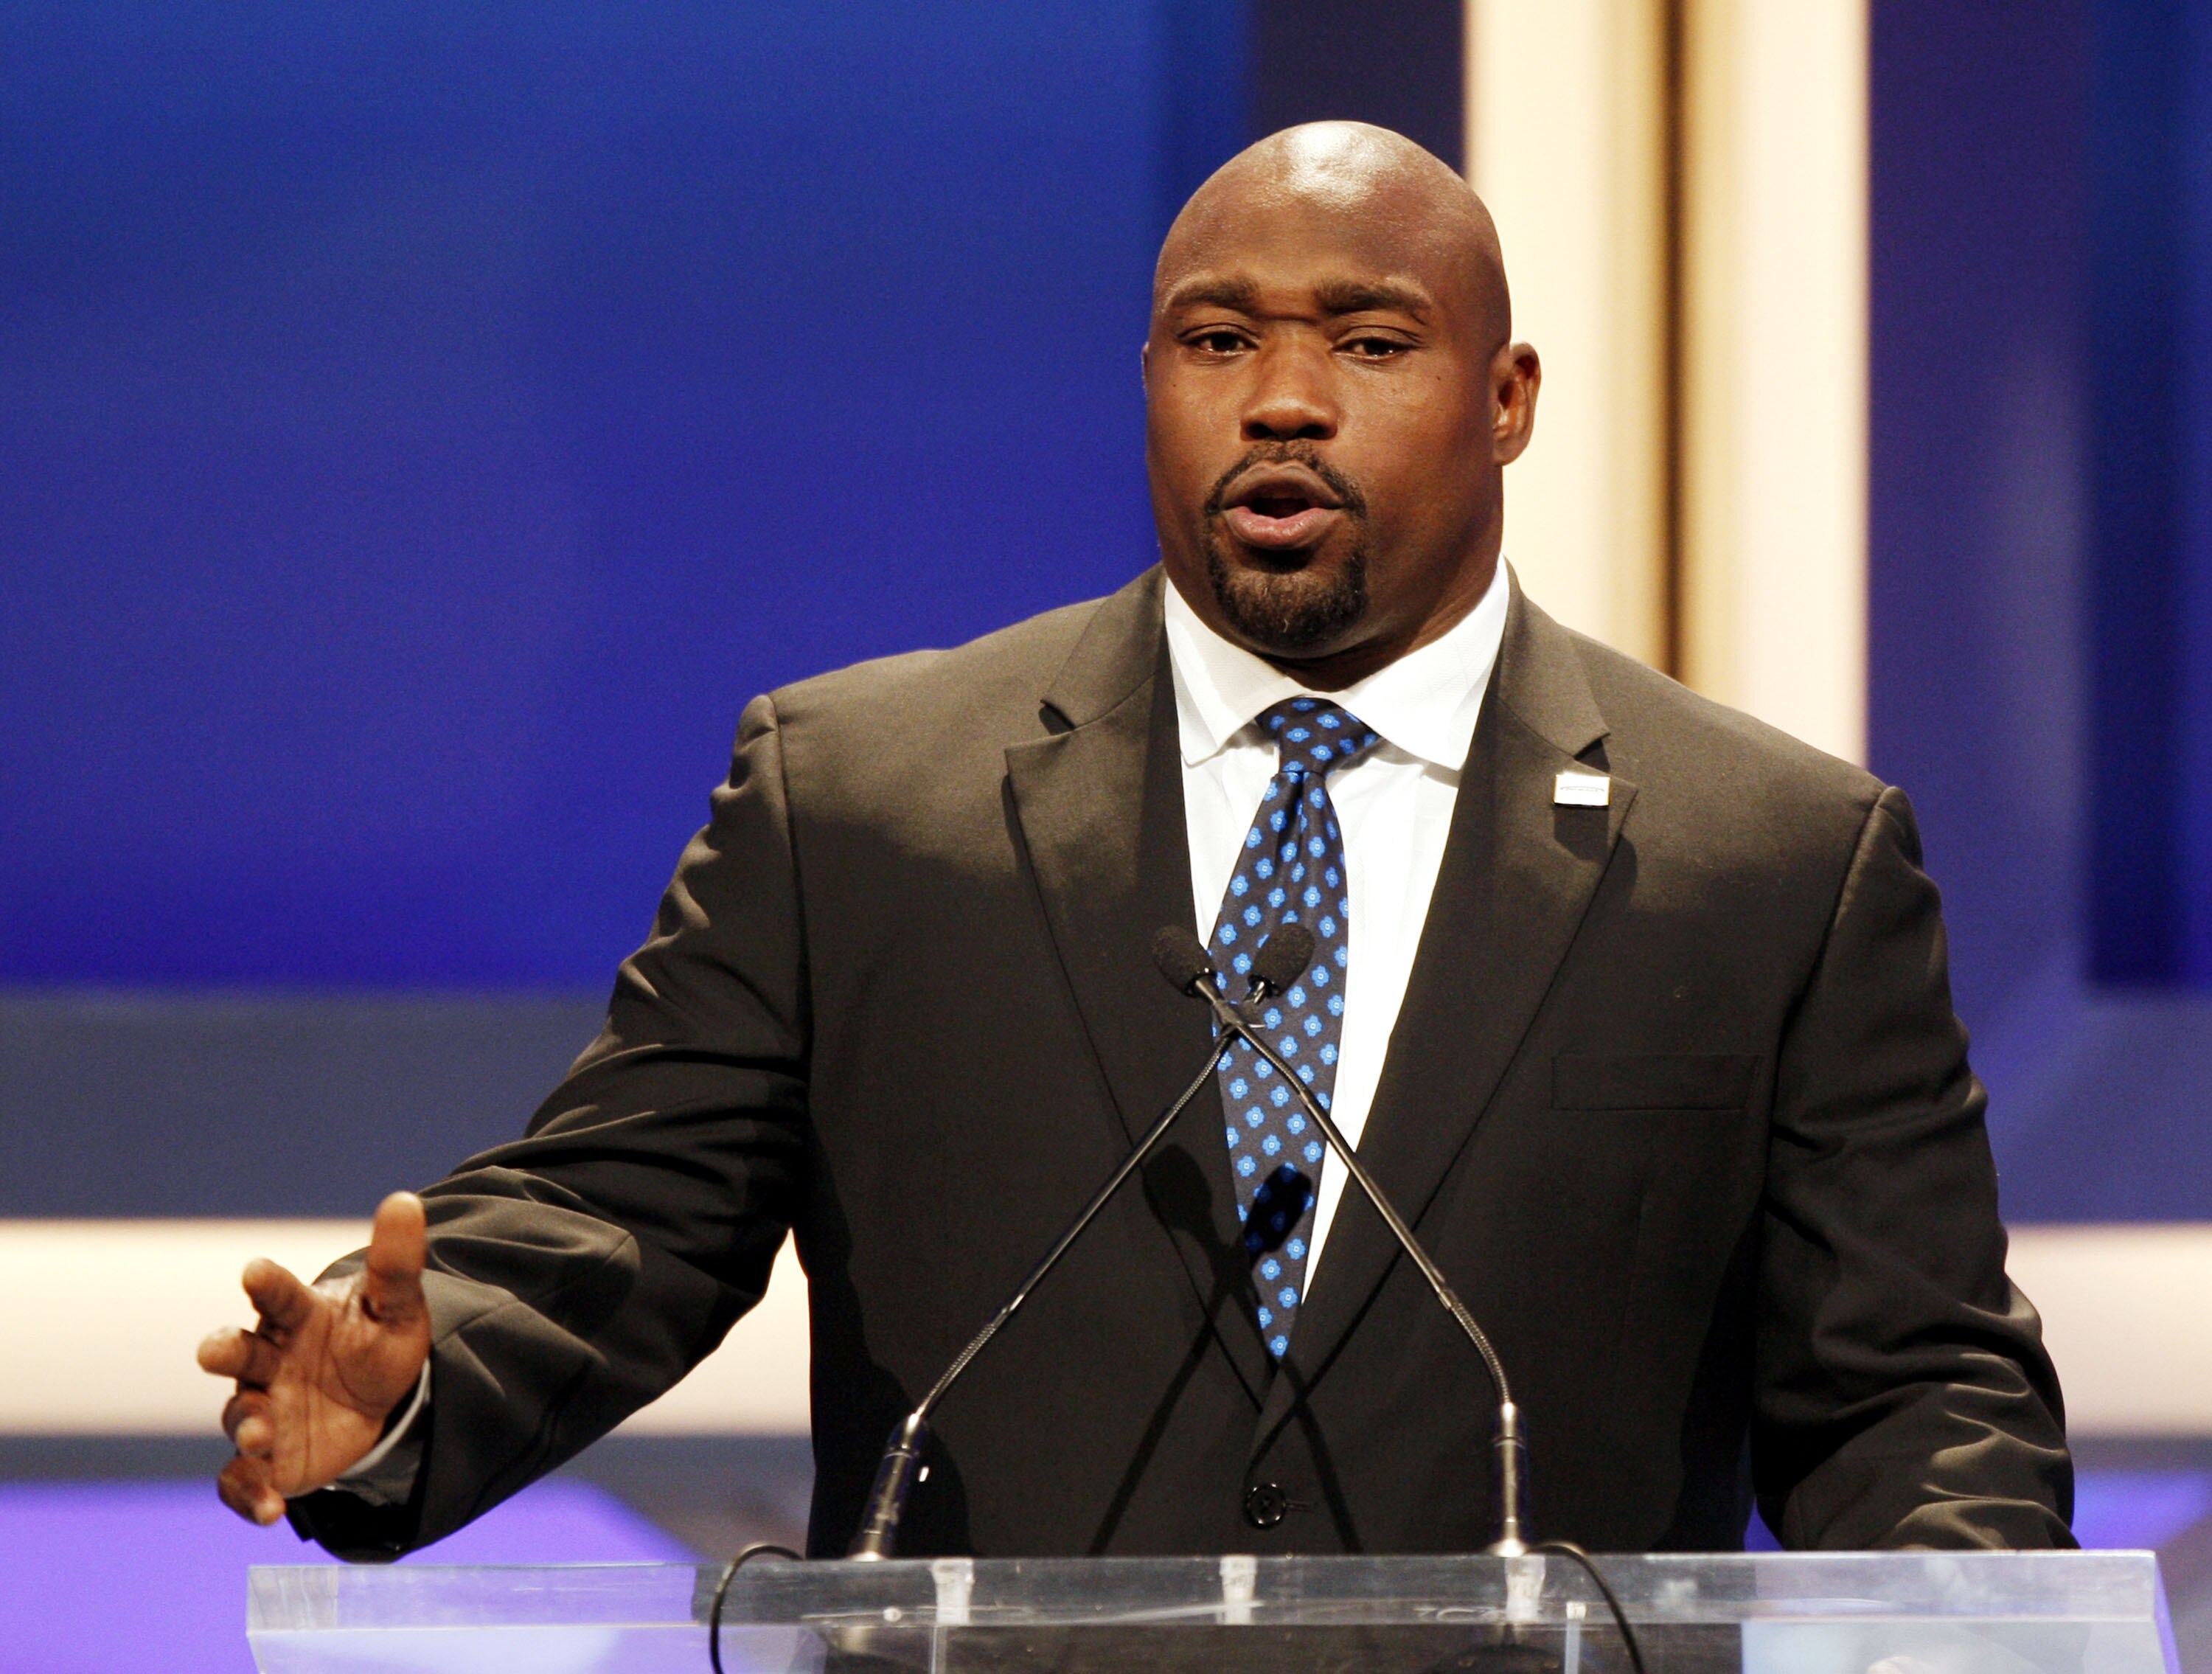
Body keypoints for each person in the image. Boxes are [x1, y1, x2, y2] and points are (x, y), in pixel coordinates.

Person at [198, 122, 2072, 1560]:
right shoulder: (859, 800)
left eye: (1369, 336)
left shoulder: (1773, 859)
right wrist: (410, 1376)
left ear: (1506, 404)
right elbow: (621, 1217)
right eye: (1215, 336)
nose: (1281, 395)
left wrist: (1972, 1634)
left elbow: (1913, 1391)